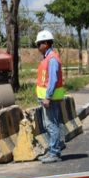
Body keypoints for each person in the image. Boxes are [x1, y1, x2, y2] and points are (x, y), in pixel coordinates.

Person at [34, 29, 66, 164]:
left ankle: (54, 153)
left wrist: (48, 97)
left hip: (50, 99)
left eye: (39, 44)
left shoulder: (52, 59)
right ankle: (53, 150)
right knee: (49, 124)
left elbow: (52, 80)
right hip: (47, 99)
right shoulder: (48, 58)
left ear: (46, 43)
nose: (37, 47)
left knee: (51, 125)